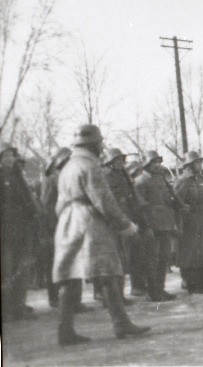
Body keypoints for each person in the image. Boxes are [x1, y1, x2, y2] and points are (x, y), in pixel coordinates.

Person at [52, 125, 150, 345]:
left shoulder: (67, 167)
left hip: (67, 222)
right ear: (92, 144)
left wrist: (67, 219)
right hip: (88, 221)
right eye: (99, 143)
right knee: (106, 272)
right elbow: (104, 200)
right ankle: (121, 323)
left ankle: (65, 331)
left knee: (69, 277)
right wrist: (125, 225)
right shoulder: (89, 166)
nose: (101, 146)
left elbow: (58, 205)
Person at [102, 148, 155, 303]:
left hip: (129, 217)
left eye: (121, 160)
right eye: (116, 160)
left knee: (134, 254)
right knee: (120, 258)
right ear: (110, 162)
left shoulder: (123, 175)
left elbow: (132, 196)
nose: (119, 162)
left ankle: (137, 287)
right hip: (116, 220)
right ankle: (117, 295)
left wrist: (139, 218)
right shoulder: (106, 176)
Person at [134, 150, 181, 301]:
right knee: (152, 259)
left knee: (164, 258)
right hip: (151, 224)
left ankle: (160, 289)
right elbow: (139, 205)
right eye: (153, 162)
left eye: (158, 162)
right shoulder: (141, 180)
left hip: (165, 223)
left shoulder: (161, 179)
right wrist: (145, 224)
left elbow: (167, 198)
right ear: (147, 164)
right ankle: (152, 291)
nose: (157, 165)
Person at [1, 142, 40, 322]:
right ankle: (6, 310)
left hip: (22, 229)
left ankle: (18, 306)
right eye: (5, 155)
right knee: (7, 271)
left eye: (11, 155)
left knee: (21, 269)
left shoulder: (18, 176)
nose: (9, 159)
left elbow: (28, 199)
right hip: (5, 231)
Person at [174, 151, 203, 294]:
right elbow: (177, 201)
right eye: (197, 162)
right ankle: (190, 283)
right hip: (190, 220)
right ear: (189, 165)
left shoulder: (201, 179)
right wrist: (183, 214)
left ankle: (201, 282)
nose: (199, 165)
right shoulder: (184, 180)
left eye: (200, 162)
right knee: (191, 252)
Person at [39, 147, 73, 309]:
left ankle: (67, 299)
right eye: (66, 160)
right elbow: (45, 204)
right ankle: (55, 298)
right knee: (55, 262)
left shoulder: (60, 177)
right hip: (54, 226)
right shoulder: (51, 179)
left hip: (63, 223)